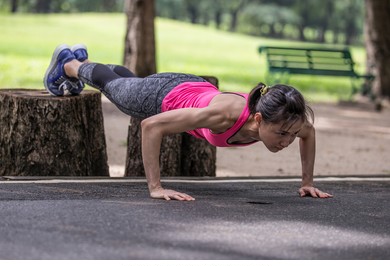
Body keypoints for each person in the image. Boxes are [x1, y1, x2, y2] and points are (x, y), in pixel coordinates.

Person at [44, 44, 333, 201]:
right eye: (282, 134)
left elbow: (309, 133)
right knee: (116, 91)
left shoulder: (288, 121)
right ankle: (69, 63)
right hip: (161, 95)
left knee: (126, 84)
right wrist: (156, 187)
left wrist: (307, 182)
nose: (287, 140)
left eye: (291, 135)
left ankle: (89, 61)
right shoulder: (223, 116)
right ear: (258, 118)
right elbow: (151, 126)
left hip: (192, 88)